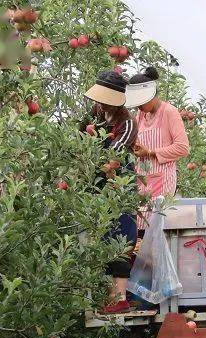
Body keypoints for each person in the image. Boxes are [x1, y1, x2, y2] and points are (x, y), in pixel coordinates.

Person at [83, 70, 138, 314]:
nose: (99, 102)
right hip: (97, 182)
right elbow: (79, 135)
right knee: (101, 236)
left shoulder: (127, 124)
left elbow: (112, 159)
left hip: (118, 185)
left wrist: (89, 167)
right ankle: (108, 298)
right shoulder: (96, 114)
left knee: (121, 235)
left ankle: (119, 299)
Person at [125, 66, 190, 204]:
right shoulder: (141, 115)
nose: (138, 106)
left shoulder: (169, 112)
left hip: (163, 180)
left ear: (151, 95)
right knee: (141, 223)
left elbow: (183, 148)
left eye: (141, 101)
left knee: (156, 221)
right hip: (142, 180)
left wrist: (150, 152)